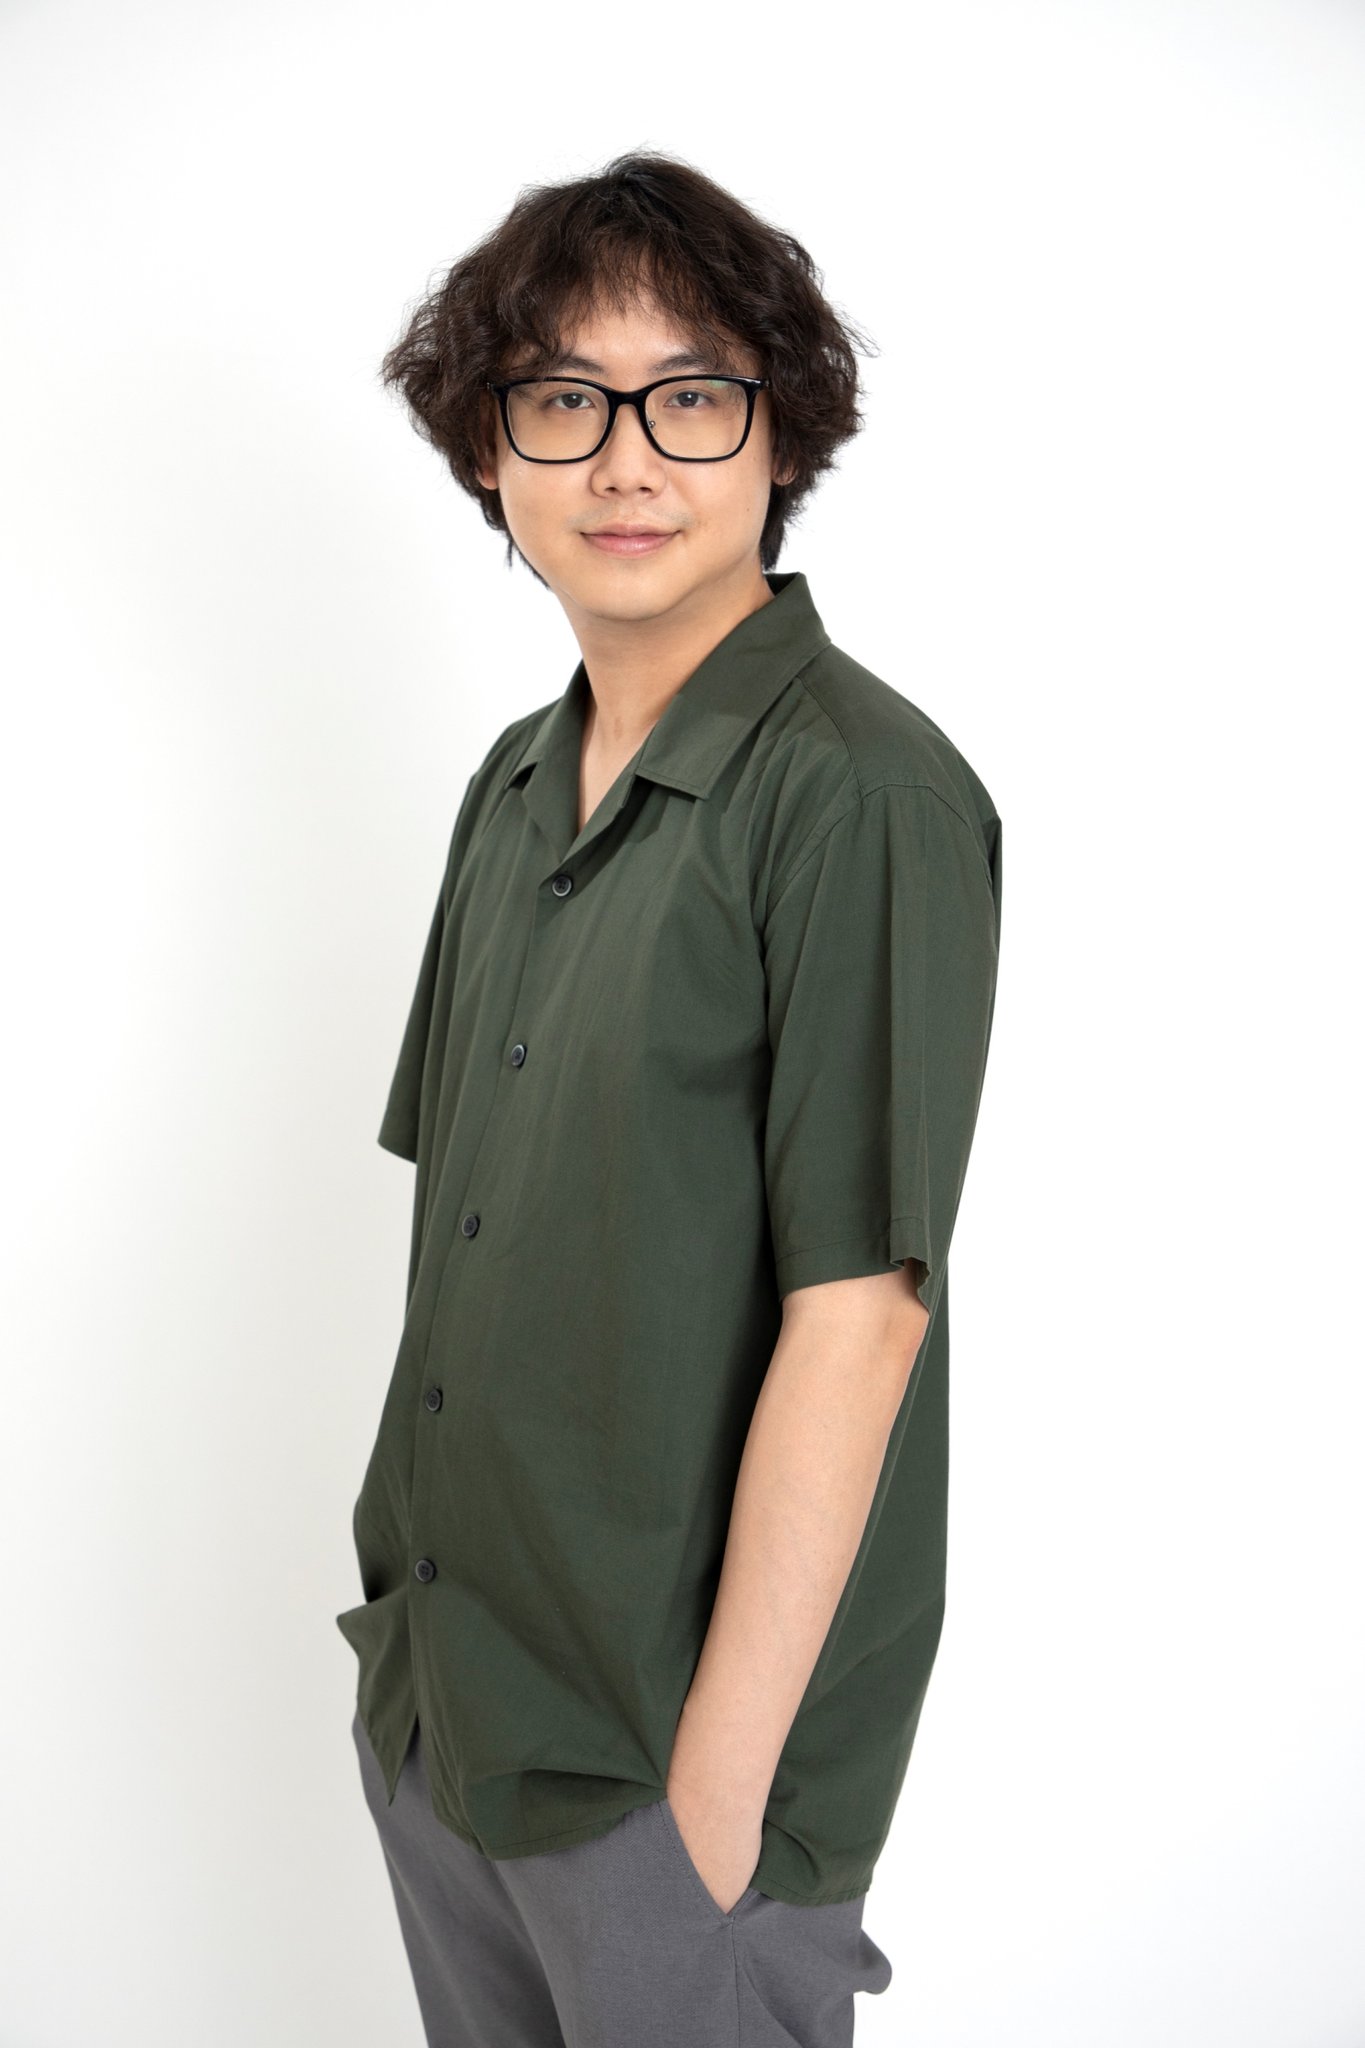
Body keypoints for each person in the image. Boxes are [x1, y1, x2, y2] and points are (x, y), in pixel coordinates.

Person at [336, 148, 1003, 2048]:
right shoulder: (508, 785)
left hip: (670, 1774)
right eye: (563, 399)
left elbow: (862, 1317)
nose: (626, 460)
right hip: (452, 1706)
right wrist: (404, 1662)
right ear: (490, 453)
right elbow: (481, 1237)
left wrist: (713, 1802)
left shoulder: (860, 794)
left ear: (779, 433)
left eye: (689, 396)